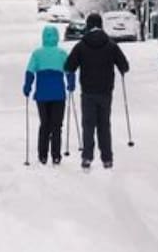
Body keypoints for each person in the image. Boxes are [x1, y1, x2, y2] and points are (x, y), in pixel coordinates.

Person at [64, 12, 129, 170]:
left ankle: (87, 157)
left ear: (88, 25)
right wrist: (119, 68)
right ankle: (107, 159)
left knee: (88, 124)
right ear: (101, 25)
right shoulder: (111, 44)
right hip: (106, 91)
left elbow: (68, 66)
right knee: (104, 125)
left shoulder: (81, 45)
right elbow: (124, 66)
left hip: (88, 92)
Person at [23, 24, 75, 165]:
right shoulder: (62, 53)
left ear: (43, 37)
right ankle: (56, 155)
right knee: (57, 125)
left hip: (42, 95)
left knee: (44, 124)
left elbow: (30, 72)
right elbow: (70, 71)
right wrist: (71, 84)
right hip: (58, 94)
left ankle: (42, 155)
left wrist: (27, 87)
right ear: (57, 37)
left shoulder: (37, 54)